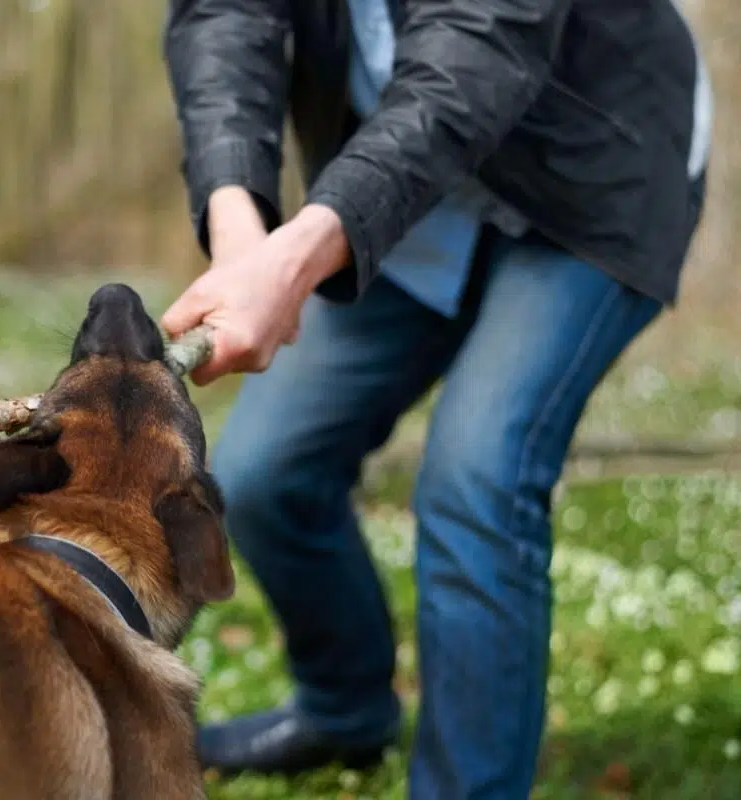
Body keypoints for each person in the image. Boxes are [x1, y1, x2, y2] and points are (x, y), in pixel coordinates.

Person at [159, 0, 712, 797]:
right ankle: (346, 712)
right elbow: (224, 15)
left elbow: (477, 49)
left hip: (594, 174)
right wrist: (240, 226)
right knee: (262, 474)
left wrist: (294, 264)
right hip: (410, 179)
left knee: (476, 478)